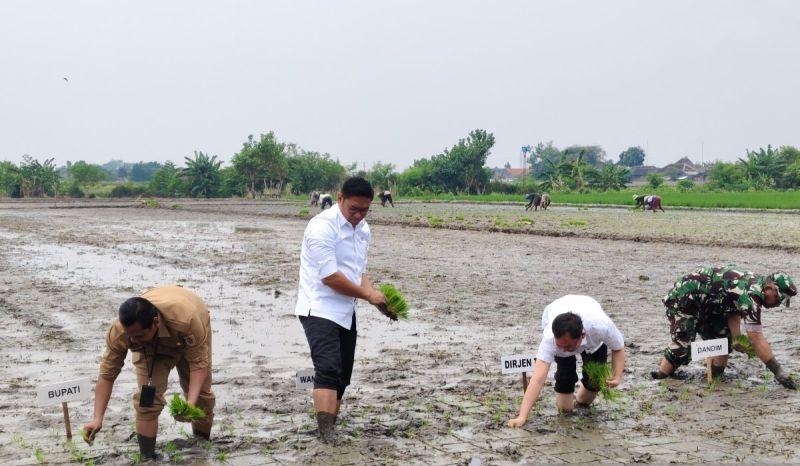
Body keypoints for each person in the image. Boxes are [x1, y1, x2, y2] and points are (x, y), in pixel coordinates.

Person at [295, 176, 389, 444]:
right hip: (319, 306)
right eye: (354, 209)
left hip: (346, 310)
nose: (359, 215)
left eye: (364, 210)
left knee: (343, 374)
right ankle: (326, 433)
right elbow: (331, 278)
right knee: (327, 368)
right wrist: (368, 296)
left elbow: (359, 273)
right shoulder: (321, 227)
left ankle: (331, 424)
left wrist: (378, 299)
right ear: (339, 199)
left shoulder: (364, 230)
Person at [83, 286, 214, 460]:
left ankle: (201, 447)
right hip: (149, 351)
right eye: (130, 336)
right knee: (147, 401)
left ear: (155, 322)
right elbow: (107, 375)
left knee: (201, 397)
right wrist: (97, 418)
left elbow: (199, 364)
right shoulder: (121, 333)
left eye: (138, 335)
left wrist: (190, 403)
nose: (132, 340)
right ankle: (147, 458)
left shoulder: (186, 320)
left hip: (187, 332)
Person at [651, 266, 797, 388]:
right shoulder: (752, 296)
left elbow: (733, 309)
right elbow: (756, 339)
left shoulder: (756, 286)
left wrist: (736, 336)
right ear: (769, 288)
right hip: (686, 296)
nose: (778, 304)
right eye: (778, 299)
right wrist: (779, 372)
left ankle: (715, 379)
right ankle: (661, 378)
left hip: (712, 304)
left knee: (723, 340)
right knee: (683, 343)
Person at [508, 295, 626, 427]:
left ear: (582, 336)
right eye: (560, 345)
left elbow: (618, 348)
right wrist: (522, 417)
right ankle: (567, 411)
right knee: (565, 377)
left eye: (568, 346)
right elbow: (537, 379)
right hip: (557, 309)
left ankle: (581, 403)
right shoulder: (550, 340)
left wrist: (617, 376)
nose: (564, 349)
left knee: (595, 379)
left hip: (591, 324)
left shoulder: (600, 327)